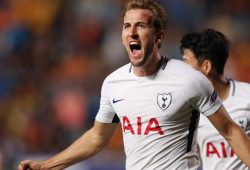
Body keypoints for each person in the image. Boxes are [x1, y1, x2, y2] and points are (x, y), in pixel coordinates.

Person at [18, 1, 250, 169]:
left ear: (158, 36)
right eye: (127, 26)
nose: (132, 32)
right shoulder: (113, 83)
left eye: (141, 26)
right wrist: (47, 165)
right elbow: (97, 138)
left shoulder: (189, 79)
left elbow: (229, 131)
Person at [180, 28, 250, 170]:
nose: (181, 70)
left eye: (186, 62)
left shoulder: (247, 96)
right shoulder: (187, 108)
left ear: (206, 66)